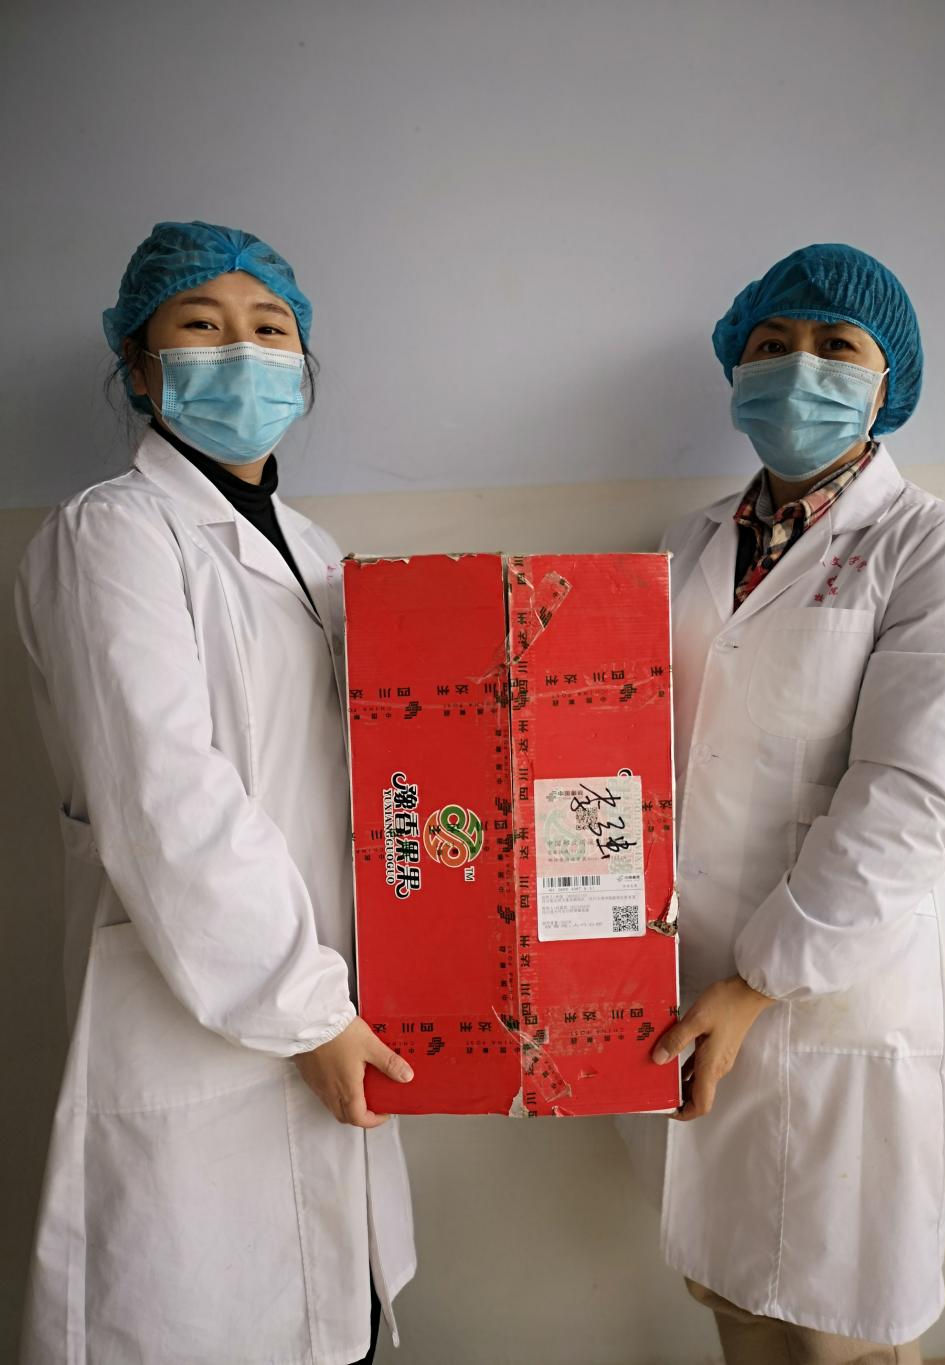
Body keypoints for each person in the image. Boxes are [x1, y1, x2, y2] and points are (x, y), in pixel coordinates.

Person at [15, 221, 416, 1365]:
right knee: (204, 1321)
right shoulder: (112, 534)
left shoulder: (320, 553)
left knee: (340, 1321)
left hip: (333, 999)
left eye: (270, 328)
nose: (243, 352)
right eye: (201, 325)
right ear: (141, 369)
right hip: (205, 1005)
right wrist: (305, 1007)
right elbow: (163, 799)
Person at [650, 243, 945, 1363]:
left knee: (836, 1334)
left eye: (834, 345)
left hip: (831, 995)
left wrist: (758, 982)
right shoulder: (689, 545)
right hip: (687, 983)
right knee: (736, 1304)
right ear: (736, 365)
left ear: (886, 380)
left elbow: (908, 799)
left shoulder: (936, 547)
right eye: (772, 342)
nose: (797, 365)